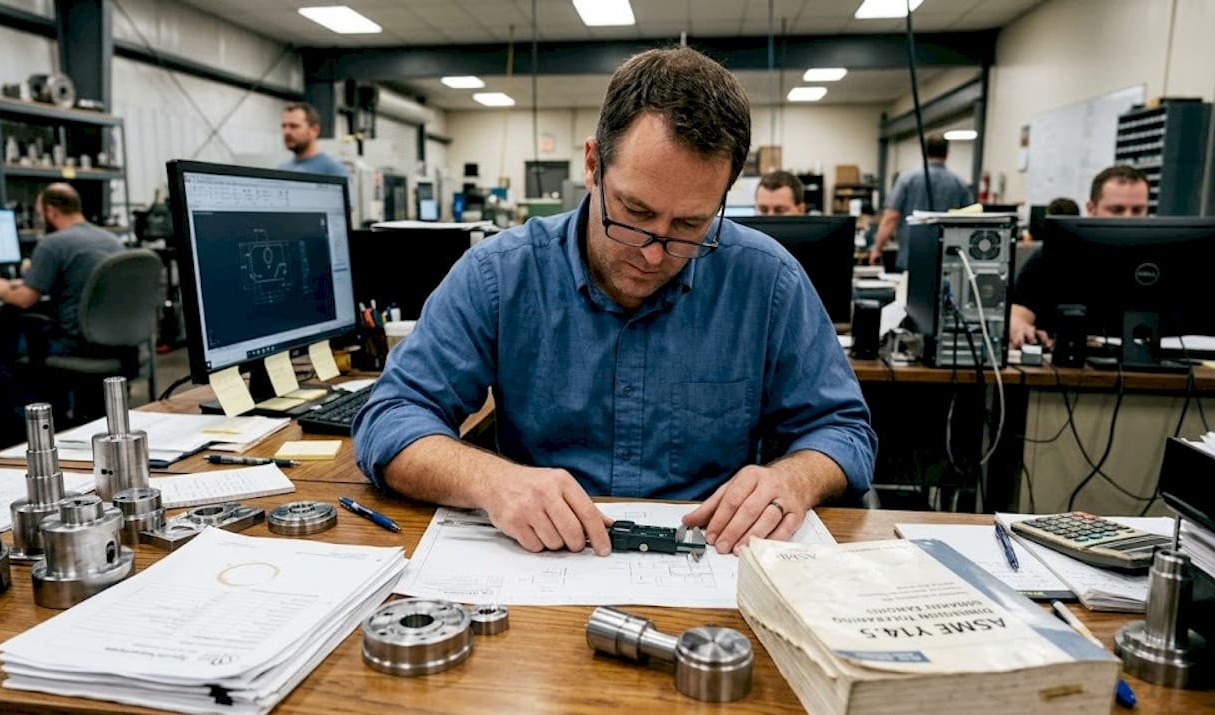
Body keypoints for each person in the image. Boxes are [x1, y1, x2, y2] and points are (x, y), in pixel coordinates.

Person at [354, 47, 876, 557]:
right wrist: (493, 481)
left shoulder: (767, 280)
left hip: (712, 562)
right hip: (543, 562)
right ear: (592, 165)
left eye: (690, 224)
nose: (654, 253)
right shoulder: (500, 275)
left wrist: (793, 478)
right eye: (635, 212)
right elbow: (391, 417)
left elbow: (843, 430)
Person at [1008, 165, 1149, 348]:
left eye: (1137, 210)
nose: (1128, 219)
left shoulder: (1162, 261)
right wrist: (1020, 328)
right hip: (1067, 361)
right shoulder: (1054, 257)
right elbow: (1017, 314)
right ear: (1092, 209)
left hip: (1148, 361)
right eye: (1116, 210)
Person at [0, 183, 123, 354]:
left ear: (51, 211)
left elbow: (24, 300)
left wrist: (2, 290)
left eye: (40, 215)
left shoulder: (52, 243)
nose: (40, 220)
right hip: (115, 341)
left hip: (74, 343)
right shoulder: (112, 241)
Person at [867, 135, 973, 271]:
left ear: (925, 152)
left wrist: (877, 249)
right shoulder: (959, 184)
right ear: (947, 153)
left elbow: (891, 217)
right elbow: (969, 221)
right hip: (947, 262)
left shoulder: (907, 180)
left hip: (912, 258)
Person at [278, 102, 351, 178]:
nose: (286, 132)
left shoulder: (334, 170)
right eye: (284, 126)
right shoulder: (282, 169)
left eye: (294, 126)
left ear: (314, 130)